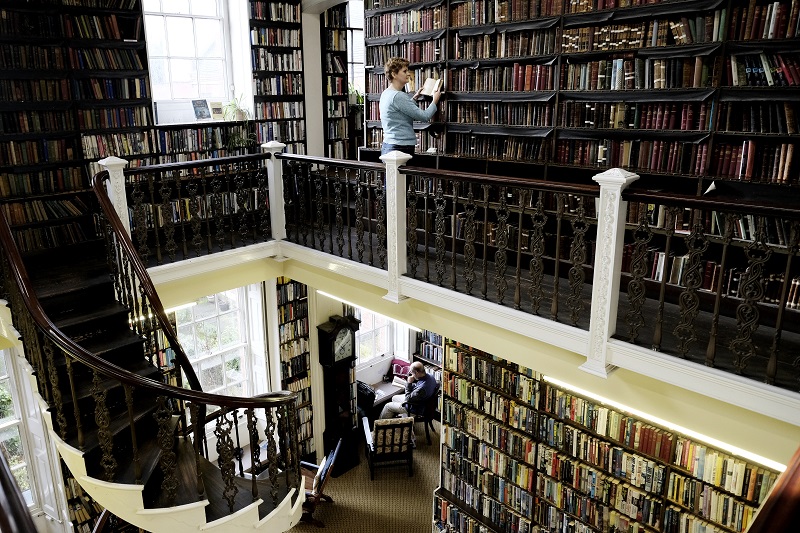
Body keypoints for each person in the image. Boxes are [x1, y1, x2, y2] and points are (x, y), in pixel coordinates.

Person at [379, 57, 442, 156]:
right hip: (401, 147)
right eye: (404, 71)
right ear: (394, 74)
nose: (408, 74)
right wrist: (435, 100)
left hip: (389, 145)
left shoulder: (386, 93)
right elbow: (424, 116)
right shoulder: (398, 96)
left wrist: (414, 98)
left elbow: (399, 111)